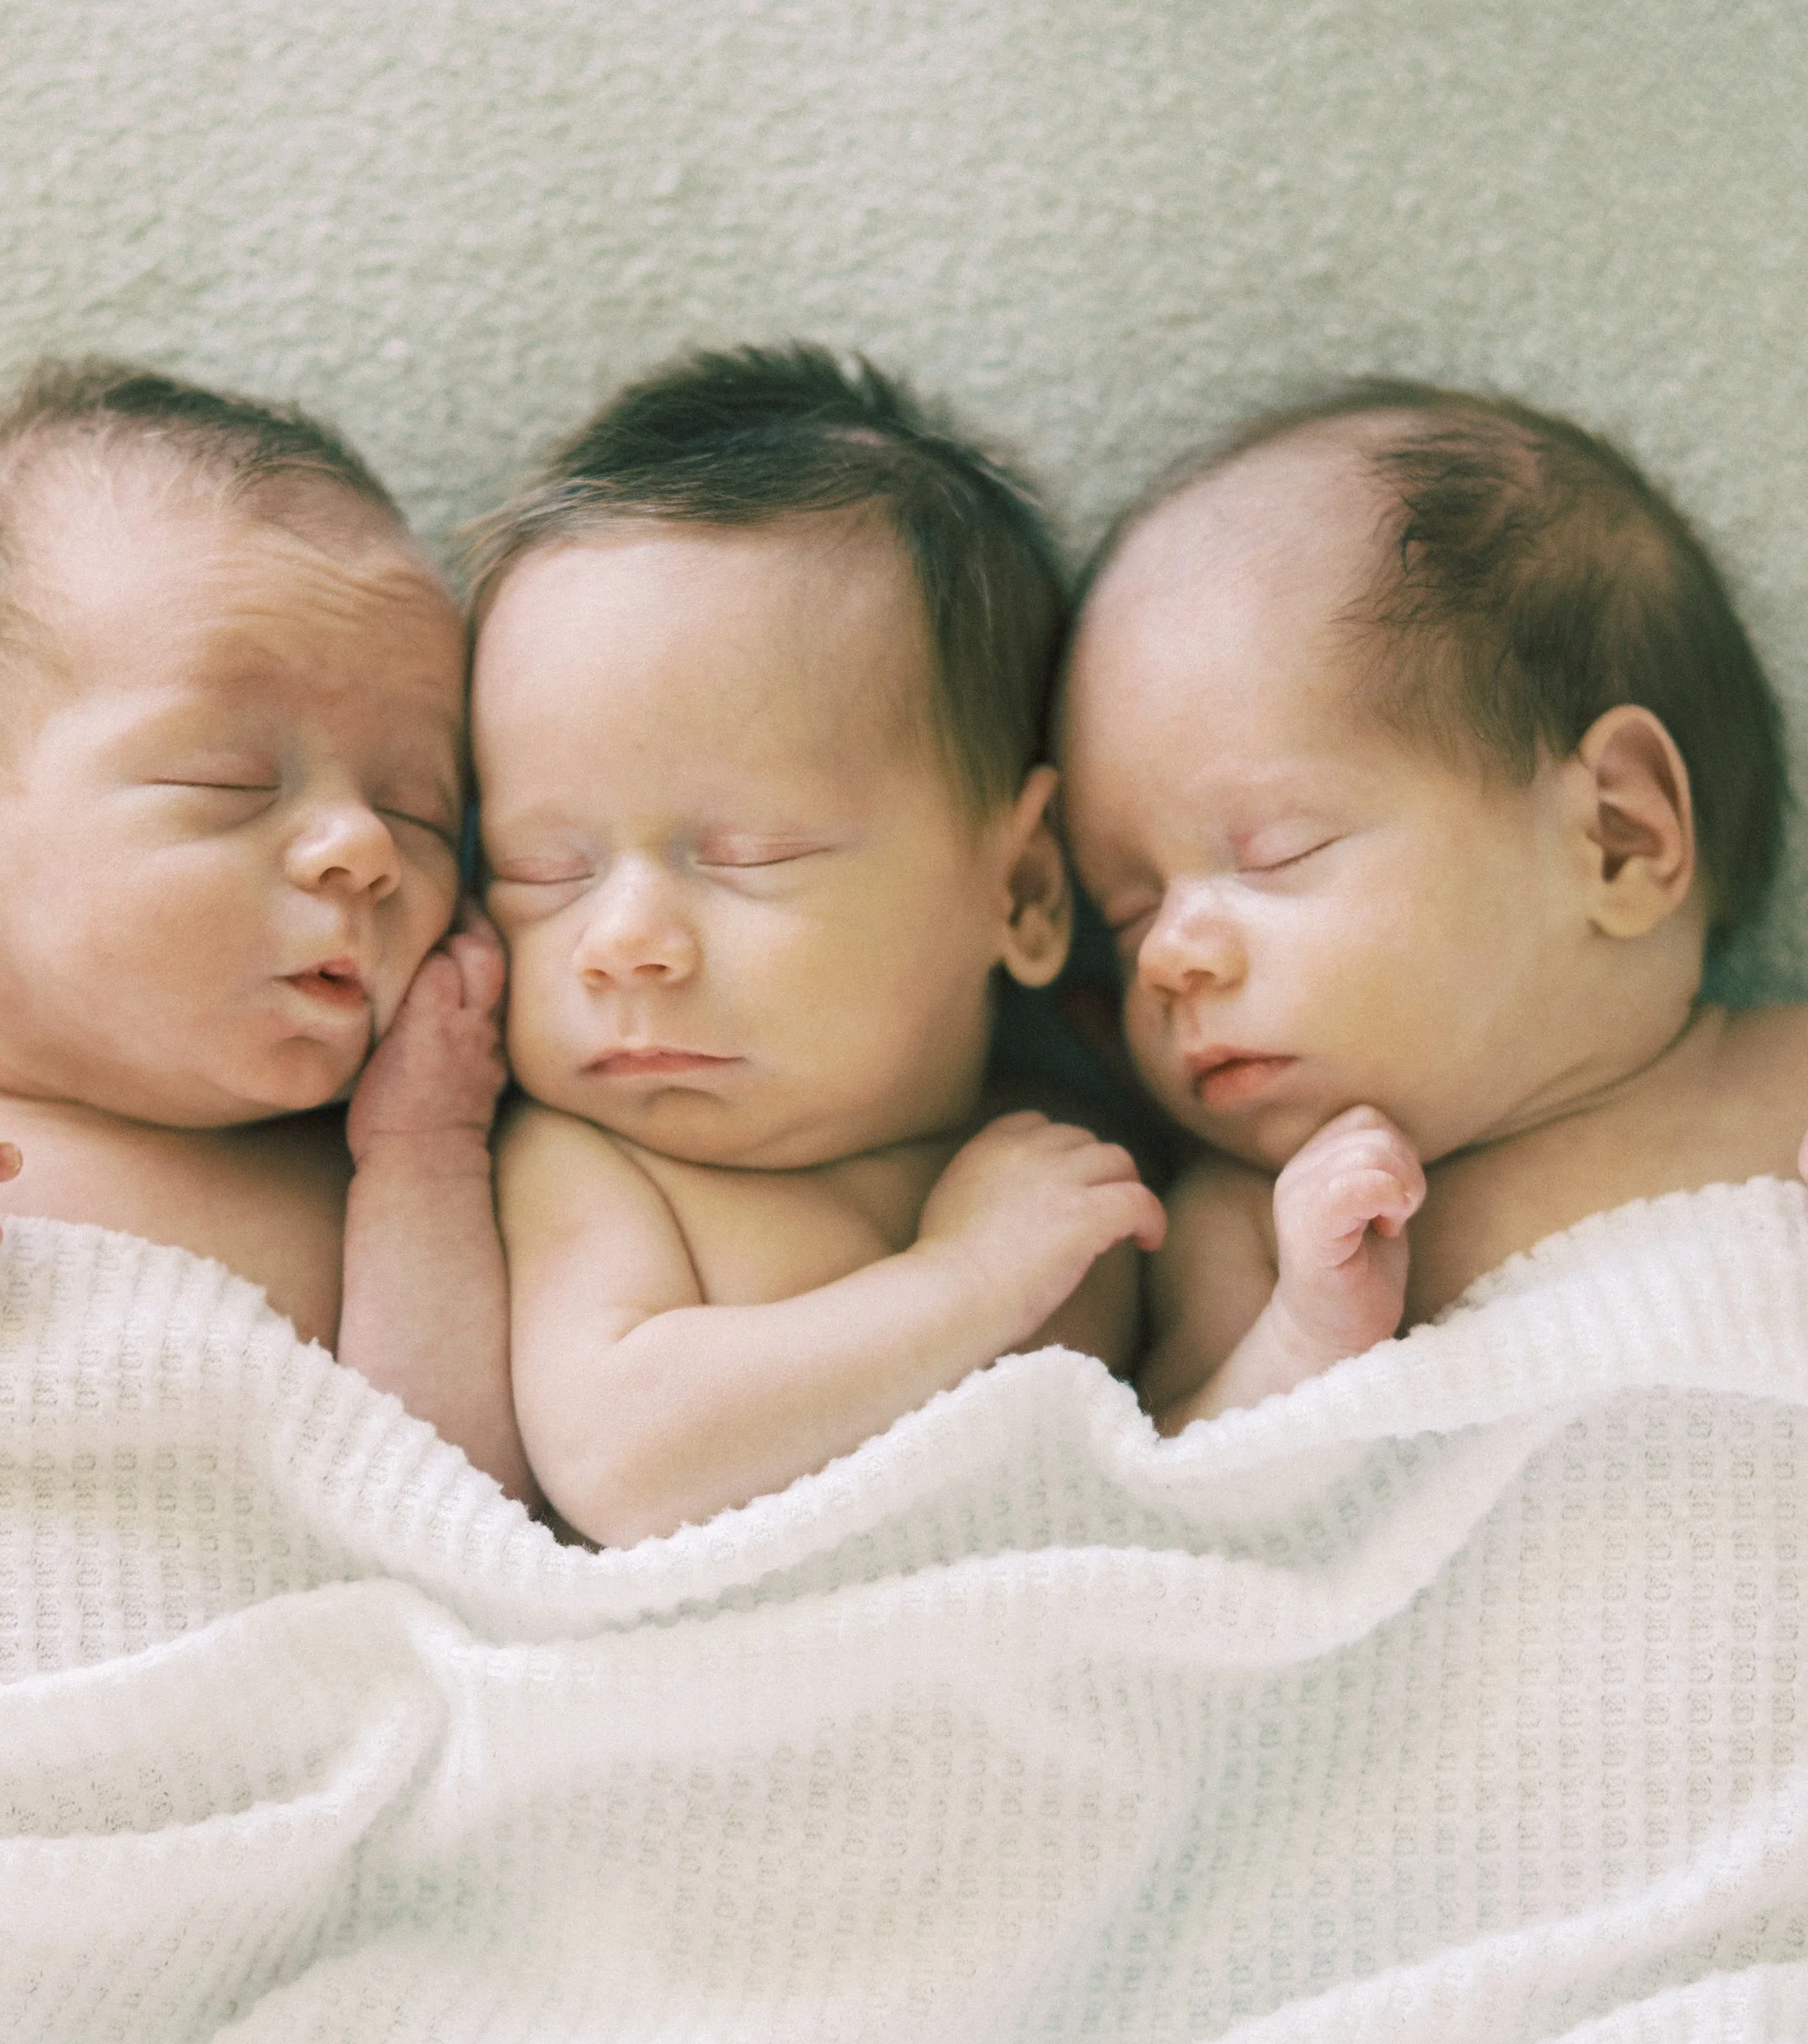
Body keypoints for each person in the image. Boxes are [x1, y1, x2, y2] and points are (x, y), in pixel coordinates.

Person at [0, 361, 526, 1493]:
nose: (364, 844)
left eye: (420, 807)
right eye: (233, 778)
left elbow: (459, 1521)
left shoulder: (356, 1192)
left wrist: (425, 1167)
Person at [465, 343, 1165, 1545]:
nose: (622, 944)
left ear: (1027, 888)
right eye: (543, 870)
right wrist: (963, 1281)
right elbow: (623, 1457)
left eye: (750, 854)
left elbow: (1216, 1457)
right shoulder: (595, 1164)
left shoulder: (1085, 1148)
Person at [1056, 379, 1803, 1429]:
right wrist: (1302, 1340)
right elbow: (1174, 1503)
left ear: (1616, 839)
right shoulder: (1251, 1230)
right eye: (1125, 913)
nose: (1168, 957)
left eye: (1277, 852)